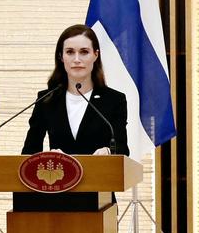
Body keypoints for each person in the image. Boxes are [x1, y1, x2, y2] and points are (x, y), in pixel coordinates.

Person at [22, 24, 129, 156]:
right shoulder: (46, 99)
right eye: (70, 52)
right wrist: (48, 157)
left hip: (100, 174)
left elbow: (122, 149)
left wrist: (109, 152)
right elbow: (29, 151)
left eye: (84, 52)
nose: (77, 59)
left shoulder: (114, 100)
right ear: (61, 57)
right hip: (57, 174)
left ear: (95, 55)